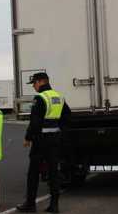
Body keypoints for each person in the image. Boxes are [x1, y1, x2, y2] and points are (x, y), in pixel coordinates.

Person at [16, 72, 71, 213]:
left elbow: (35, 121)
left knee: (33, 173)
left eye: (34, 83)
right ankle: (54, 205)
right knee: (53, 172)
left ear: (41, 82)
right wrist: (60, 132)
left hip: (40, 141)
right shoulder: (59, 97)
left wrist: (28, 137)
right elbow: (67, 117)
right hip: (54, 140)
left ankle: (30, 204)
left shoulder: (40, 98)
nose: (33, 86)